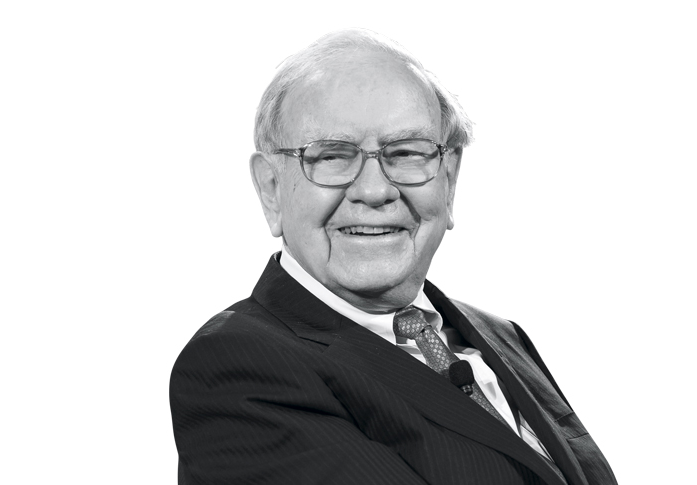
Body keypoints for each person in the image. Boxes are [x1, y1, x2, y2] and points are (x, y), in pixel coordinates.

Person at [170, 29, 616, 485]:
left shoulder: (501, 336)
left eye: (405, 153)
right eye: (331, 156)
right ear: (271, 189)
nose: (375, 190)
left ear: (450, 180)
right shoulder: (238, 366)